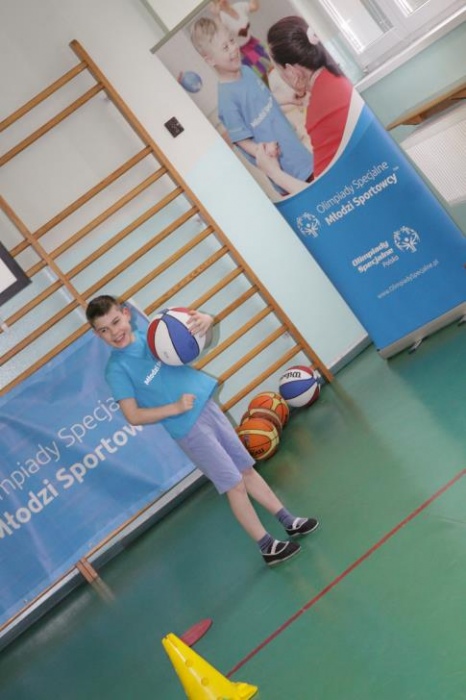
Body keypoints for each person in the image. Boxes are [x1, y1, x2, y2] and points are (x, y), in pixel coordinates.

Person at [86, 295, 319, 567]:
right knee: (233, 484)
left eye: (116, 322)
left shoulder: (155, 334)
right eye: (105, 330)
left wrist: (206, 322)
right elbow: (133, 415)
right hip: (188, 429)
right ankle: (267, 546)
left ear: (126, 314)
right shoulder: (116, 369)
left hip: (206, 406)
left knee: (246, 469)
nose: (115, 332)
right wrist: (174, 408)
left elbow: (193, 341)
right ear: (98, 334)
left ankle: (288, 520)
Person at [190, 16, 313, 196]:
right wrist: (263, 151)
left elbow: (263, 100)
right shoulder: (227, 100)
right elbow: (240, 140)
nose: (233, 49)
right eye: (225, 47)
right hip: (286, 172)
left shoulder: (247, 71)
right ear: (210, 60)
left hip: (301, 154)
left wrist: (288, 98)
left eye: (231, 41)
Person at [265, 15, 355, 183]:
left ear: (291, 72)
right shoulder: (336, 76)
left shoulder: (319, 110)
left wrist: (274, 172)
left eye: (277, 68)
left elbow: (327, 185)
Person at [210, 0, 271, 85]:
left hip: (253, 43)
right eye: (219, 1)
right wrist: (216, 15)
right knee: (261, 75)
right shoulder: (222, 18)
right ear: (216, 4)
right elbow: (220, 33)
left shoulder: (238, 7)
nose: (223, 1)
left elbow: (254, 7)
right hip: (243, 52)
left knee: (271, 63)